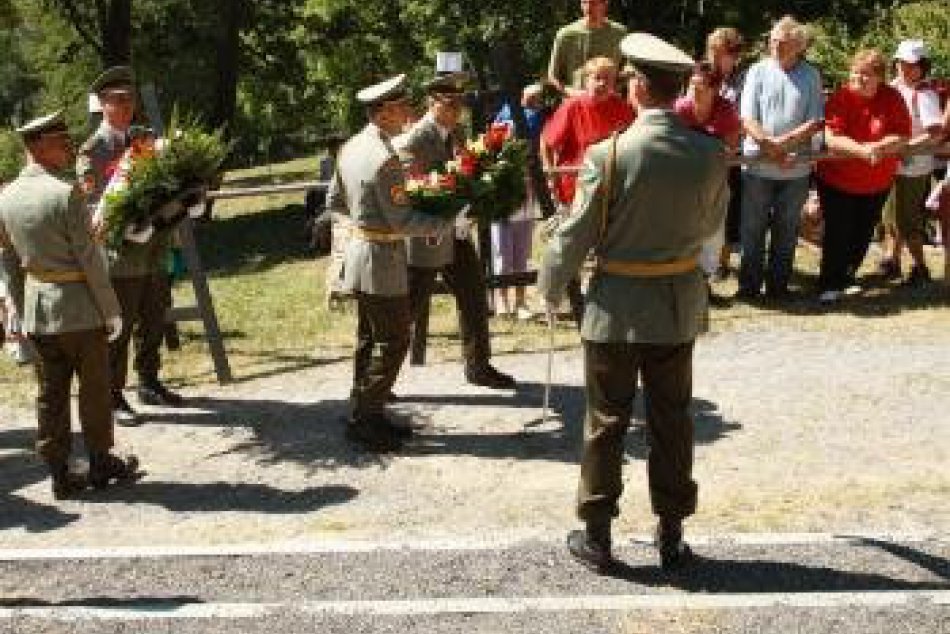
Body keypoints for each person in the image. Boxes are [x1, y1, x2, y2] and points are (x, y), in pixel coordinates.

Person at [539, 33, 728, 572]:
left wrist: (551, 287)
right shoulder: (711, 152)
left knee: (605, 421)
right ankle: (671, 534)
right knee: (673, 420)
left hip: (615, 308)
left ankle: (598, 536)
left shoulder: (609, 153)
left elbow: (573, 236)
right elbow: (712, 226)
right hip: (675, 304)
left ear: (639, 88)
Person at [0, 111, 140, 499]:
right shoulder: (65, 194)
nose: (67, 147)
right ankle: (100, 462)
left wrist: (18, 308)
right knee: (94, 388)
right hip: (80, 310)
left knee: (51, 393)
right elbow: (90, 260)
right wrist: (111, 310)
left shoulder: (5, 198)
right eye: (59, 140)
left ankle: (59, 472)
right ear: (38, 145)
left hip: (39, 312)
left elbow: (9, 263)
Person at [326, 74, 456, 452]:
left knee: (369, 336)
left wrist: (363, 223)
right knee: (395, 339)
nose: (408, 111)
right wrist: (447, 221)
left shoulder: (350, 147)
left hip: (360, 253)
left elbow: (335, 202)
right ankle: (364, 418)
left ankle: (367, 406)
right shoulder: (385, 159)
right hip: (382, 259)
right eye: (400, 106)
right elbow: (402, 221)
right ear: (382, 113)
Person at [77, 66, 182, 425]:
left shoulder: (148, 139)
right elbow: (93, 207)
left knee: (155, 317)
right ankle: (112, 394)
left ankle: (149, 381)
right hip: (121, 252)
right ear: (102, 104)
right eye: (117, 100)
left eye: (130, 100)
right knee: (120, 325)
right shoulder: (92, 150)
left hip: (154, 245)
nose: (125, 106)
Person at [398, 72, 516, 390]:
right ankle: (379, 380)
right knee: (407, 308)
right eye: (450, 104)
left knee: (474, 295)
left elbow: (467, 173)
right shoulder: (415, 140)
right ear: (432, 103)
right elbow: (410, 192)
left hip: (457, 233)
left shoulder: (458, 132)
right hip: (426, 237)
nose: (456, 110)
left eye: (460, 103)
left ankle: (478, 366)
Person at [736, 16, 823, 301]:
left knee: (787, 232)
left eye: (783, 42)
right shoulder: (757, 71)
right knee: (752, 230)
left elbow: (814, 122)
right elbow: (747, 118)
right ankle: (749, 288)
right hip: (758, 165)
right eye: (772, 40)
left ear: (799, 45)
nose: (775, 46)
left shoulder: (811, 75)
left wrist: (783, 149)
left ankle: (778, 287)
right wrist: (771, 149)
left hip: (794, 169)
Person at [816, 49, 911, 304]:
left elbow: (903, 134)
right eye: (855, 72)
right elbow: (831, 138)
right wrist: (863, 151)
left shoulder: (892, 97)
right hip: (837, 180)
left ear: (880, 77)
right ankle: (828, 283)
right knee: (839, 232)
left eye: (866, 74)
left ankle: (847, 276)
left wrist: (880, 147)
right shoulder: (841, 97)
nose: (859, 78)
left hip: (877, 182)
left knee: (862, 233)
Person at [879, 40, 944, 287]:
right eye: (901, 62)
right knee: (889, 215)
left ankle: (920, 267)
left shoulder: (924, 93)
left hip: (914, 166)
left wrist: (907, 148)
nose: (905, 68)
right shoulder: (892, 87)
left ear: (922, 66)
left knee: (908, 219)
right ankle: (891, 261)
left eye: (911, 64)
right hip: (891, 163)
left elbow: (935, 132)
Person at [675, 61, 740, 301]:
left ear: (715, 89)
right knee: (682, 234)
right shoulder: (679, 109)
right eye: (691, 85)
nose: (694, 91)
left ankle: (703, 287)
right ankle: (680, 286)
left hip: (715, 182)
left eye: (701, 86)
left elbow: (732, 147)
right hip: (682, 184)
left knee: (713, 236)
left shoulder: (726, 110)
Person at [542, 56, 636, 207]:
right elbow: (546, 142)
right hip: (576, 188)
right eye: (597, 78)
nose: (602, 83)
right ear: (586, 80)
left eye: (608, 79)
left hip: (612, 188)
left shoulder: (622, 108)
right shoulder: (572, 107)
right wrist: (551, 176)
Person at [491, 83, 545, 319]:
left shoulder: (537, 116)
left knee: (522, 253)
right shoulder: (504, 116)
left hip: (527, 192)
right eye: (532, 97)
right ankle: (501, 300)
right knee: (502, 253)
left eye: (539, 98)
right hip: (503, 193)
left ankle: (521, 302)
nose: (536, 101)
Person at [706, 27, 746, 276]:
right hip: (702, 152)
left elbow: (741, 117)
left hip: (732, 155)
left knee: (728, 209)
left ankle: (723, 262)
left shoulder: (744, 80)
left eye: (721, 53)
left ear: (734, 55)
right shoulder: (699, 74)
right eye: (712, 51)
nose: (714, 57)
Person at [547, 0, 627, 97]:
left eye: (594, 2)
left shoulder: (619, 34)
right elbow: (553, 76)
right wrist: (571, 92)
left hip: (609, 102)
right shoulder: (566, 35)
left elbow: (628, 70)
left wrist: (612, 90)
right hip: (575, 103)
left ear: (605, 4)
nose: (588, 7)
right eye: (584, 2)